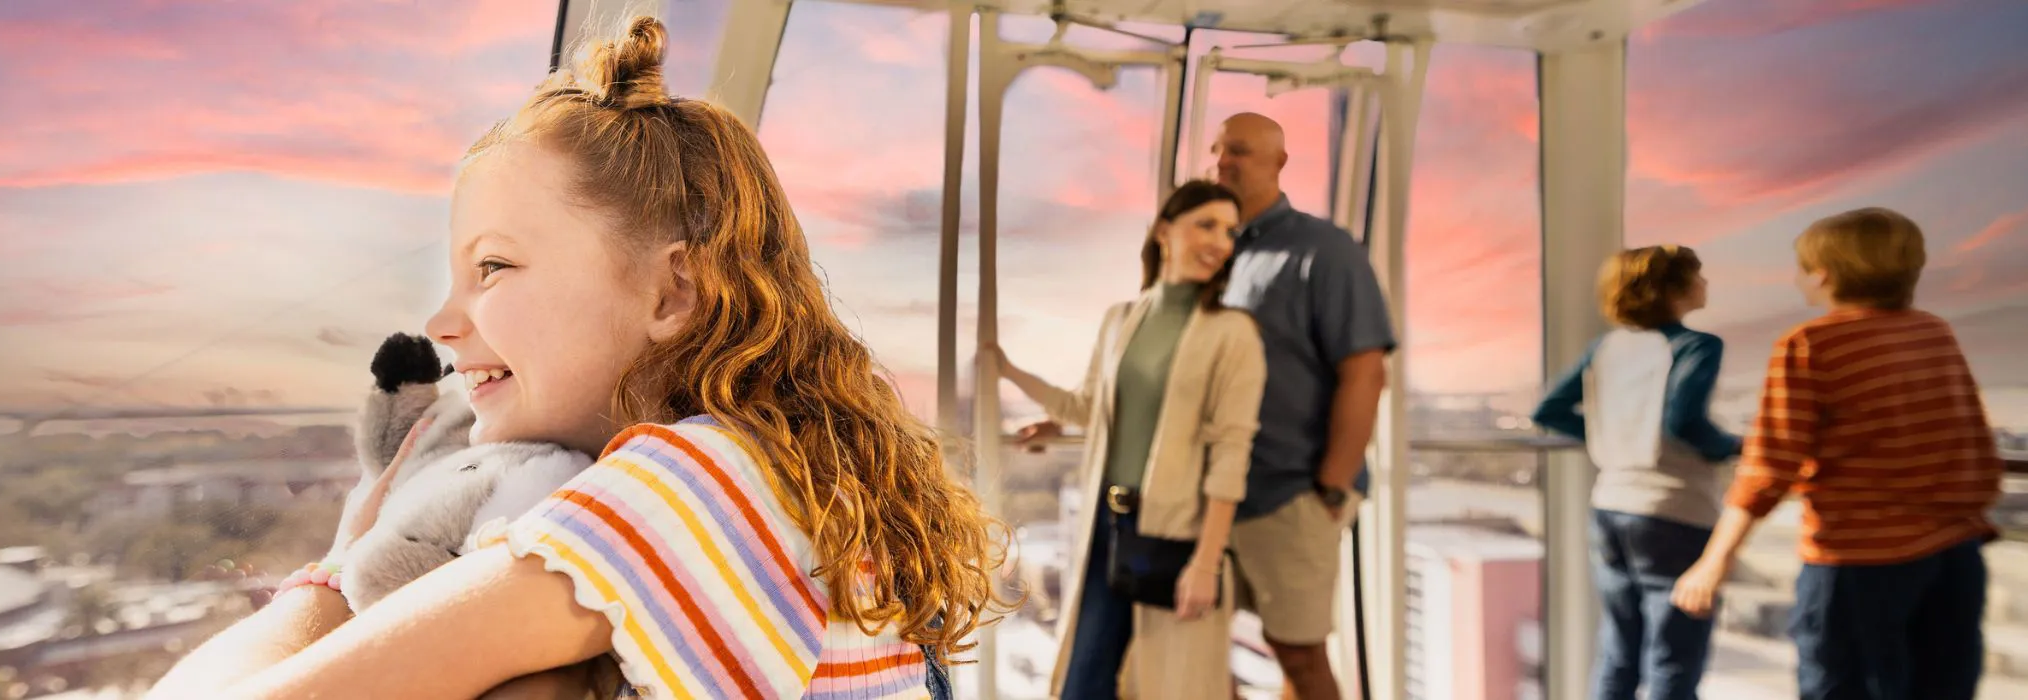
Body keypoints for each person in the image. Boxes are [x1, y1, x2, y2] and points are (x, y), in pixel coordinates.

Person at [144, 16, 999, 700]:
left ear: (672, 294)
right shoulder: (786, 472)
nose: (442, 322)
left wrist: (344, 559)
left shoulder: (697, 482)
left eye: (494, 267)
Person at [1016, 113, 1392, 699]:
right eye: (1218, 151)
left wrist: (1331, 490)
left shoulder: (1323, 250)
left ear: (1279, 162)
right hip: (1194, 506)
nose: (1224, 161)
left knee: (1298, 652)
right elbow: (1163, 377)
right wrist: (1074, 418)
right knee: (1197, 660)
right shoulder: (1214, 256)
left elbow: (1366, 373)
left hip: (1286, 496)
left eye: (1239, 151)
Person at [1670, 207, 2002, 700]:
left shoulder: (1810, 345)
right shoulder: (1934, 332)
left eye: (1801, 267)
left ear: (1822, 275)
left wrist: (1713, 560)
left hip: (1860, 563)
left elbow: (1769, 466)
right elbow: (1971, 440)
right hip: (1954, 555)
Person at [988, 180, 1266, 699]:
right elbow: (1089, 406)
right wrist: (1008, 371)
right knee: (1084, 680)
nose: (1220, 241)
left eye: (1230, 231)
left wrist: (1206, 563)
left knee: (1171, 685)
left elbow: (1232, 455)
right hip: (1108, 525)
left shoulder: (1234, 333)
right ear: (1165, 231)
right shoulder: (1122, 319)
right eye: (1205, 224)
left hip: (1177, 534)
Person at [1531, 244, 1739, 700]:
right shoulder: (1696, 346)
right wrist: (1733, 447)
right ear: (1673, 289)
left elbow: (1548, 409)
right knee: (1673, 659)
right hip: (1674, 511)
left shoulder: (1607, 348)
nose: (1705, 283)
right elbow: (1683, 420)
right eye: (1697, 275)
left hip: (1610, 509)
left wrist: (1611, 434)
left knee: (1619, 651)